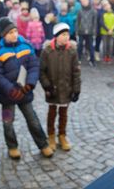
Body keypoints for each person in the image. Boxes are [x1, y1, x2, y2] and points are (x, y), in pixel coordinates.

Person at [0, 17, 54, 159]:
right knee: (7, 122)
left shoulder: (26, 45)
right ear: (4, 35)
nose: (14, 34)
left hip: (25, 92)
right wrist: (10, 89)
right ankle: (12, 146)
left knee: (33, 120)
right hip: (7, 96)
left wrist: (29, 85)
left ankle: (43, 144)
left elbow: (33, 66)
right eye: (10, 32)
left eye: (15, 31)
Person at [40, 23, 81, 152]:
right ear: (56, 36)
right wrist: (47, 86)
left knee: (63, 113)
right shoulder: (47, 51)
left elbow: (76, 71)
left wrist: (76, 89)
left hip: (66, 88)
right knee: (52, 113)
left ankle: (62, 135)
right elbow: (41, 71)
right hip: (52, 88)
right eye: (63, 35)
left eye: (67, 35)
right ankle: (51, 136)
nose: (66, 37)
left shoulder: (72, 51)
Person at [76, 0, 97, 67]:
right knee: (80, 46)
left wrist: (94, 32)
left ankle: (92, 60)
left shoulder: (93, 11)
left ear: (88, 1)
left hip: (90, 31)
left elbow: (94, 23)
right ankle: (78, 59)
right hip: (81, 31)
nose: (84, 2)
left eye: (85, 1)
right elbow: (77, 22)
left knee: (91, 46)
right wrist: (77, 31)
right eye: (82, 1)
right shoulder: (80, 11)